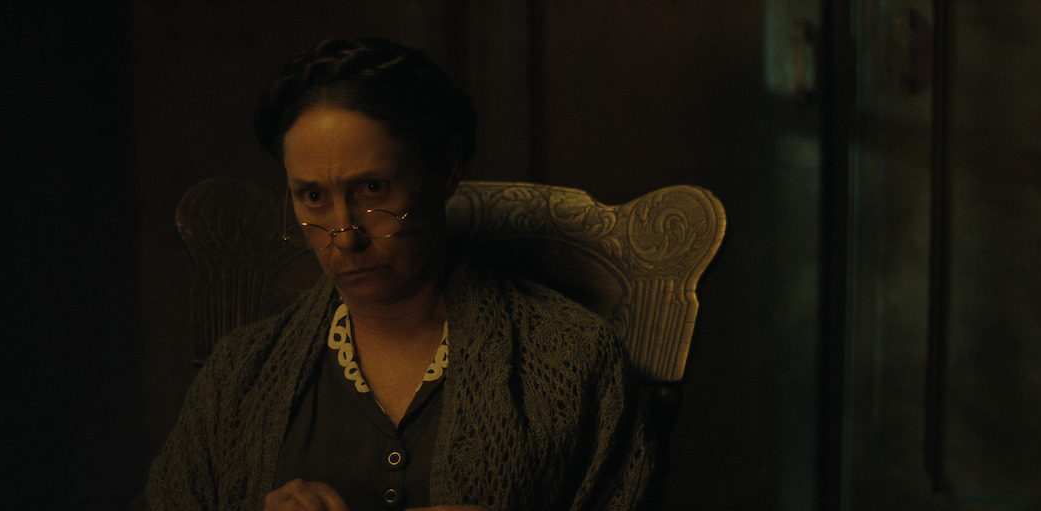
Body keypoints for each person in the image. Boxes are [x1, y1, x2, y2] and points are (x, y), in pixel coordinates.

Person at [142, 37, 657, 511]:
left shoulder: (572, 358)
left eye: (373, 190)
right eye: (314, 196)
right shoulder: (239, 376)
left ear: (446, 169)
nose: (344, 234)